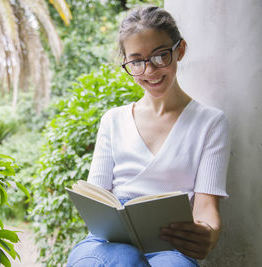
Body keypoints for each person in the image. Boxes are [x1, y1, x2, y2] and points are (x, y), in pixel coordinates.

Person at [66, 5, 231, 267]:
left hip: (171, 245)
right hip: (108, 244)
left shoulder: (210, 123)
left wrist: (209, 233)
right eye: (136, 61)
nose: (150, 71)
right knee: (123, 259)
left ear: (180, 50)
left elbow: (207, 208)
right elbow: (96, 198)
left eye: (160, 56)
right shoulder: (113, 120)